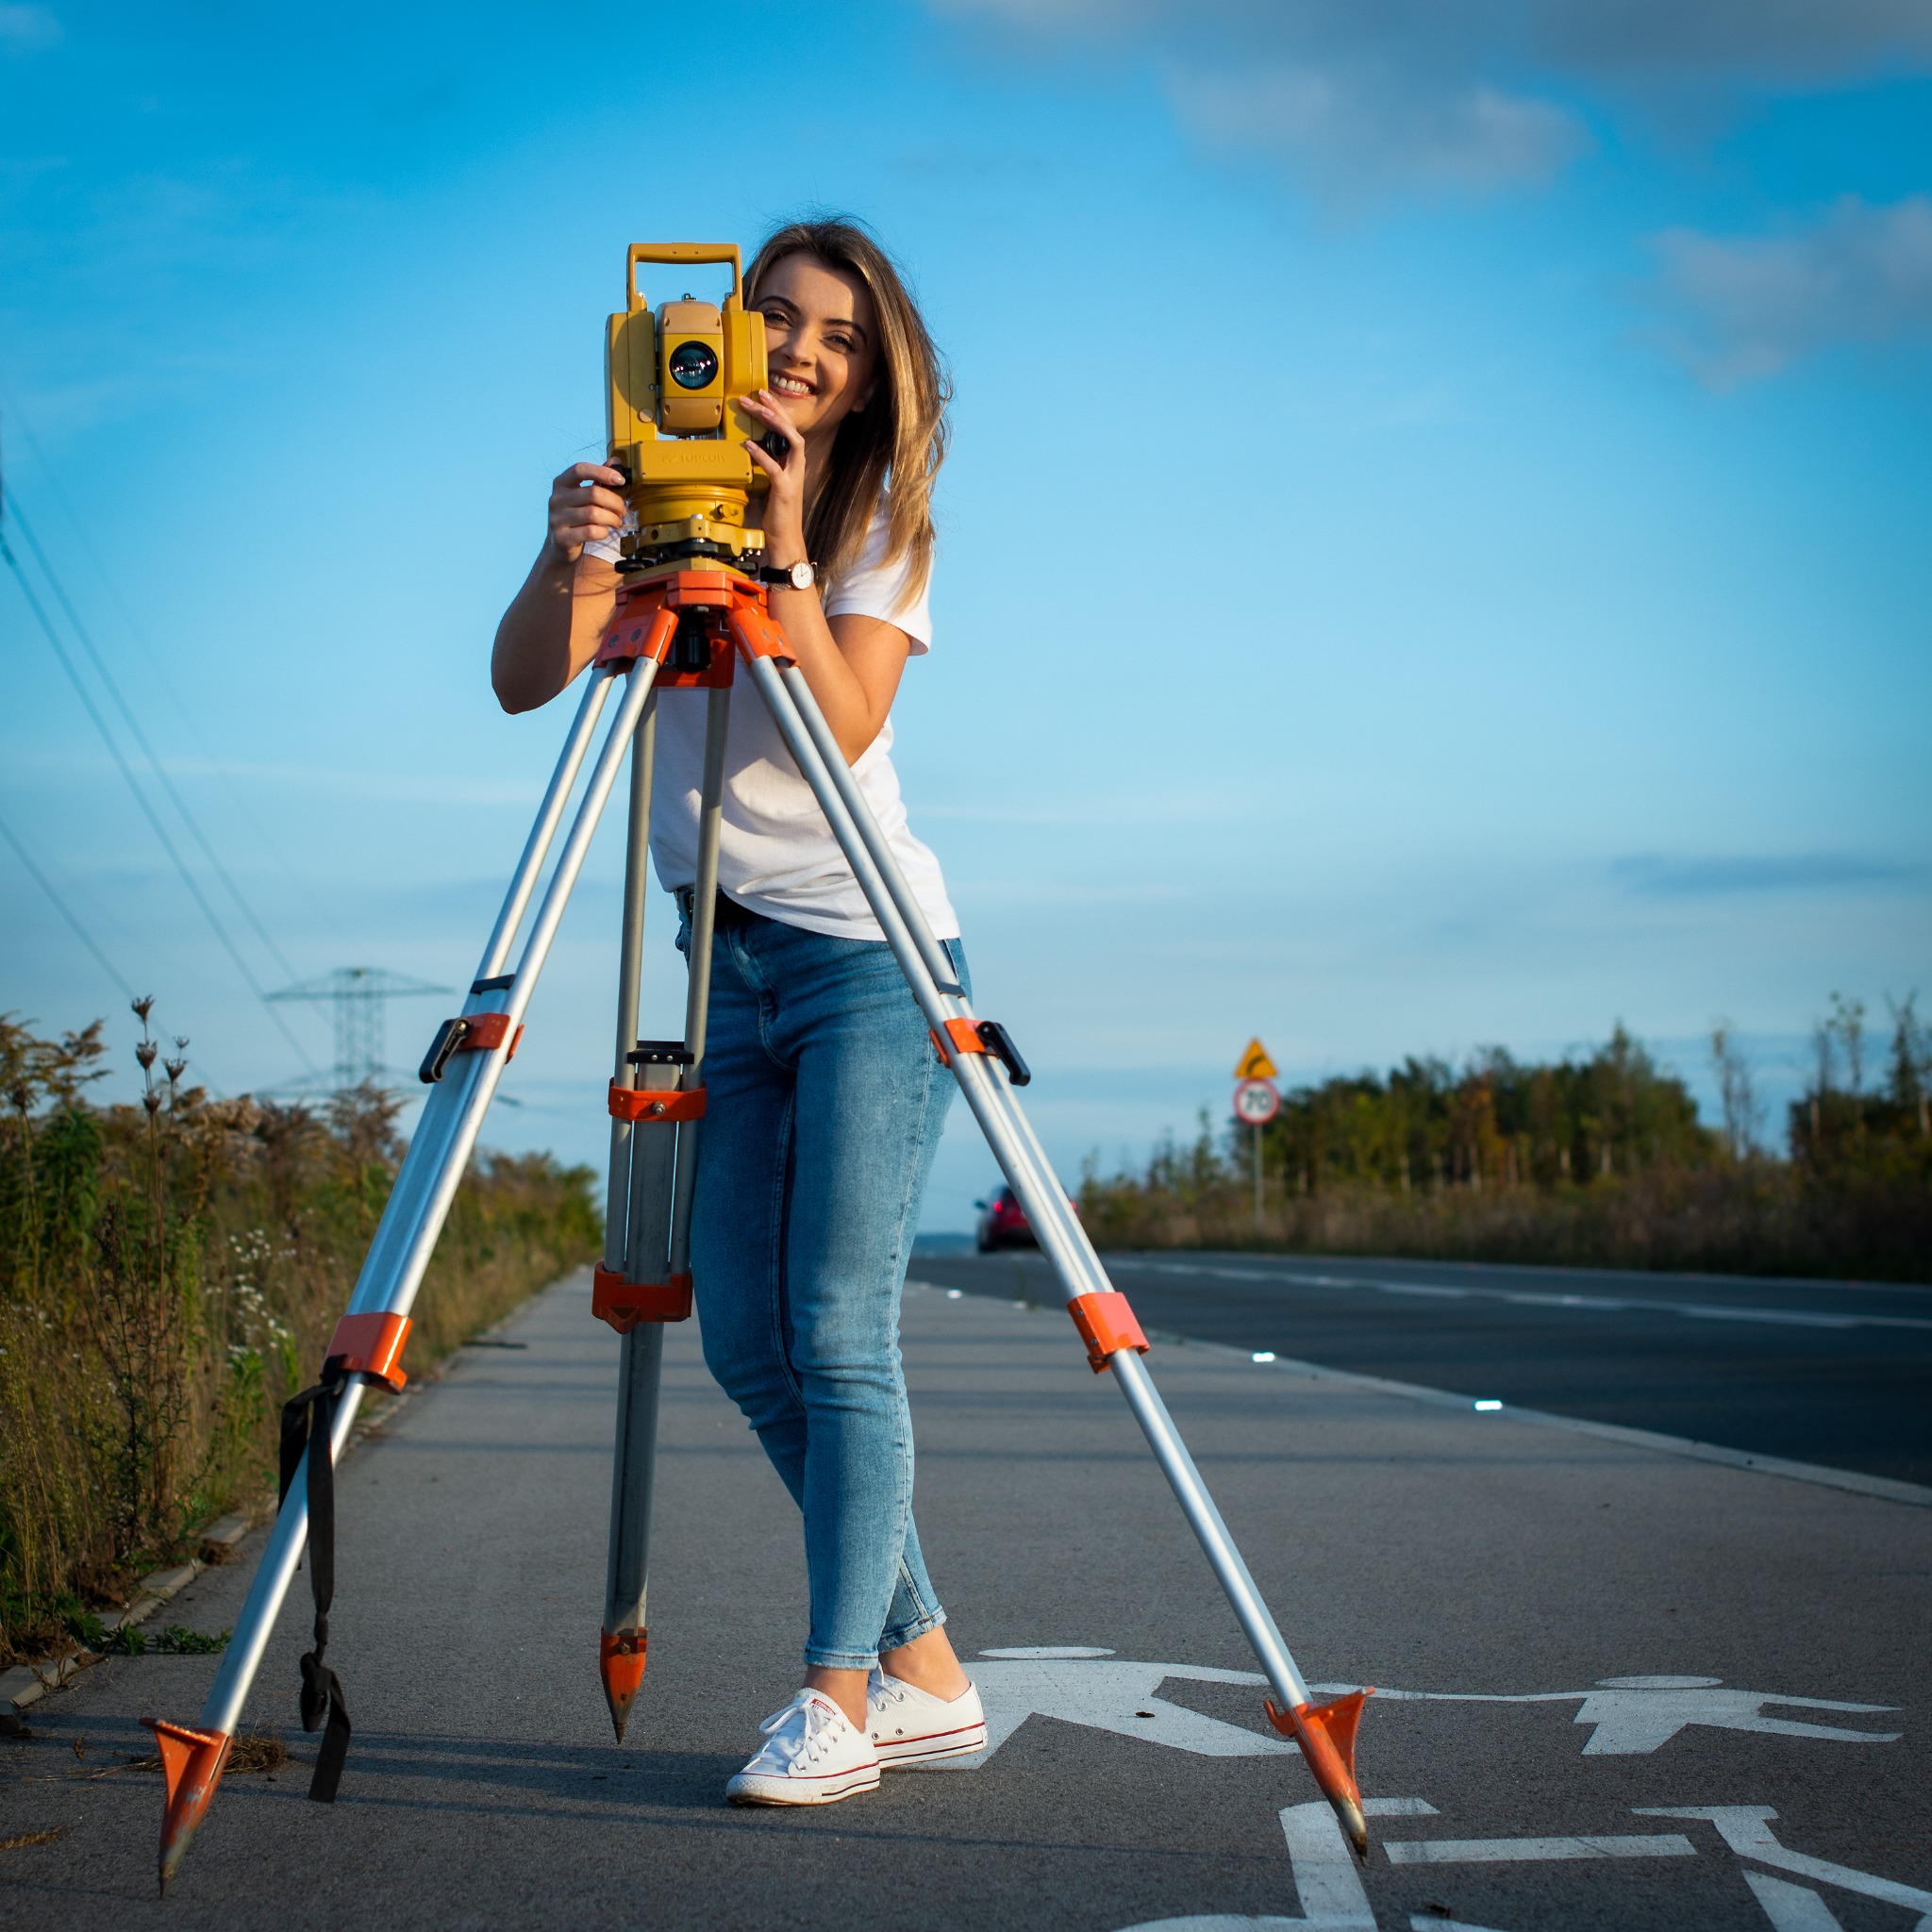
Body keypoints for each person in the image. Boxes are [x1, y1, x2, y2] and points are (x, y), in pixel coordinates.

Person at [491, 218, 984, 1807]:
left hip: (865, 953)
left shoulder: (875, 528)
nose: (794, 348)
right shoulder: (648, 494)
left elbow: (841, 730)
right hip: (722, 961)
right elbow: (524, 680)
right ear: (710, 324)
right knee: (750, 1348)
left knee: (839, 1333)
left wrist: (775, 541)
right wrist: (575, 546)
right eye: (769, 316)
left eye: (834, 335)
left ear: (868, 378)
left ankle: (835, 1699)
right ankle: (923, 1668)